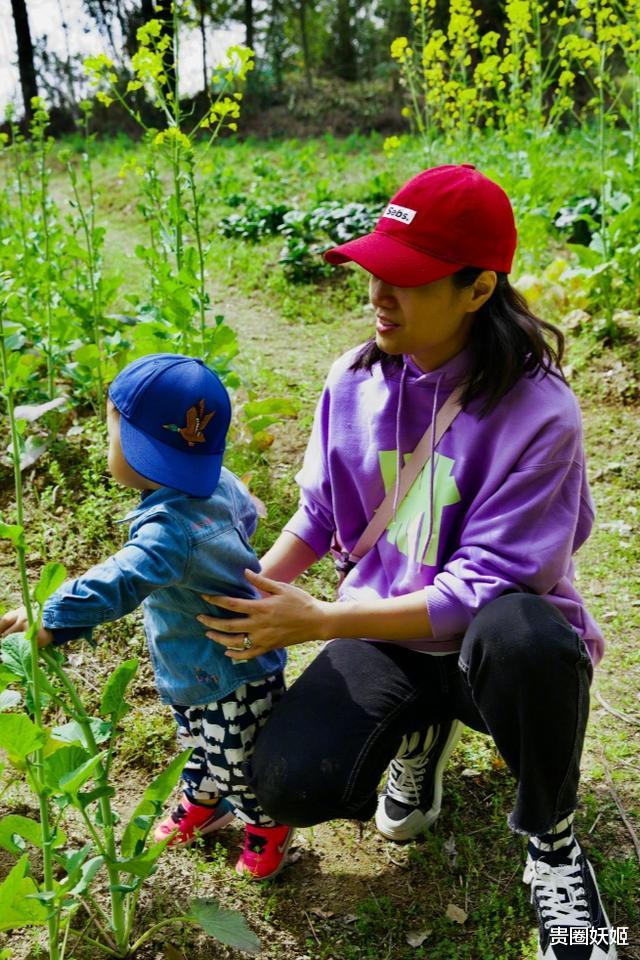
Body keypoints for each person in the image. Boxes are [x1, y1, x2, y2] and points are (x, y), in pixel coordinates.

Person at [196, 166, 617, 959]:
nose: (379, 295)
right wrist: (250, 592)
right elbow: (321, 515)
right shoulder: (352, 381)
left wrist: (321, 620)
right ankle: (419, 738)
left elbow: (483, 585)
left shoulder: (540, 412)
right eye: (374, 272)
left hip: (485, 640)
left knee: (528, 640)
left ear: (478, 289)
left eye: (409, 279)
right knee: (285, 780)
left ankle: (552, 841)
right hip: (385, 629)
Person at [0, 353, 293, 881]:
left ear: (127, 444)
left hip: (229, 673)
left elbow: (121, 580)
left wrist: (53, 616)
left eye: (113, 433)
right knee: (198, 744)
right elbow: (246, 508)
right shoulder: (218, 481)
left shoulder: (168, 531)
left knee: (235, 759)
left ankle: (264, 825)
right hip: (198, 666)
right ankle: (206, 803)